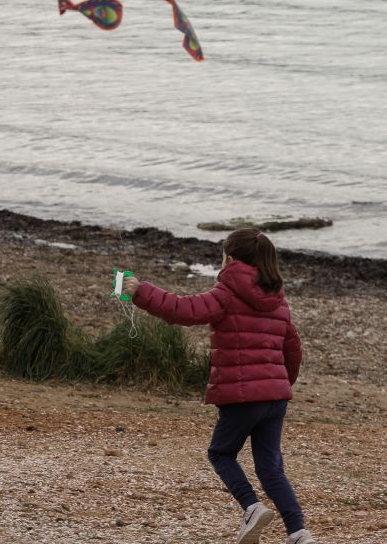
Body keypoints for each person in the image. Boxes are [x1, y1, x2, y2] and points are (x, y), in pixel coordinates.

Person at [122, 229, 314, 544]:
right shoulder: (279, 301)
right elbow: (293, 348)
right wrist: (280, 386)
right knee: (270, 468)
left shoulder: (226, 293)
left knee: (221, 453)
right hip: (275, 398)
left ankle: (251, 507)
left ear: (231, 258)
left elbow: (185, 310)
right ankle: (299, 533)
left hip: (242, 397)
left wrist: (141, 291)